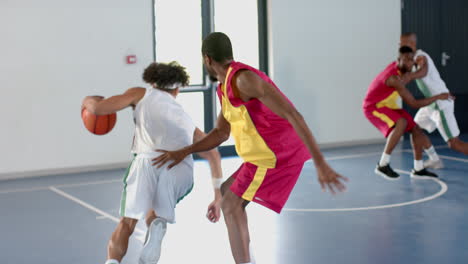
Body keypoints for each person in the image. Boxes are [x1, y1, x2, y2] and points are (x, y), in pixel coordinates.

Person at [152, 32, 348, 264]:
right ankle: (248, 258)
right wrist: (185, 151)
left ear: (207, 60)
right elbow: (221, 133)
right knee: (227, 191)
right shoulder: (225, 87)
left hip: (276, 156)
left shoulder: (243, 79)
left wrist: (320, 163)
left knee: (231, 205)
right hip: (262, 156)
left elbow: (293, 114)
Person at [82, 62, 223, 264]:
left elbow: (98, 109)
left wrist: (88, 101)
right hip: (179, 166)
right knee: (156, 213)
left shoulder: (140, 93)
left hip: (146, 161)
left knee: (126, 224)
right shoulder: (183, 115)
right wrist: (218, 197)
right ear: (177, 89)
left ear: (153, 82)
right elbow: (213, 154)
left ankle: (113, 262)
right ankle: (156, 224)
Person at [363, 46, 452, 180]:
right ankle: (383, 164)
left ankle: (418, 168)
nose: (410, 63)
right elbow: (413, 103)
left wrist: (421, 63)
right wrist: (438, 96)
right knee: (402, 122)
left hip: (388, 105)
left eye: (412, 60)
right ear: (399, 60)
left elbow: (418, 71)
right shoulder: (394, 79)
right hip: (373, 106)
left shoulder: (403, 69)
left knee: (416, 129)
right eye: (406, 60)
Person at [400, 32, 468, 167]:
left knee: (454, 144)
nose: (400, 45)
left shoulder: (421, 56)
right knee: (415, 129)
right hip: (431, 104)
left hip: (441, 104)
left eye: (403, 43)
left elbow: (423, 71)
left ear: (412, 44)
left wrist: (410, 76)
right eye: (400, 43)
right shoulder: (410, 60)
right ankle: (434, 160)